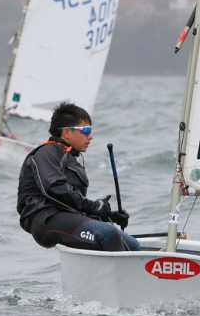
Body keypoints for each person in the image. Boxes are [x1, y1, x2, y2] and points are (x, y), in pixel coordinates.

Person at [17, 102, 139, 252]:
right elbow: (54, 190)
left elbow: (71, 204)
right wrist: (94, 206)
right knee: (108, 233)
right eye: (85, 130)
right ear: (67, 132)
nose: (91, 136)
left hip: (65, 217)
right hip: (45, 219)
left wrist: (110, 215)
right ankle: (119, 275)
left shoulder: (69, 157)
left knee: (133, 244)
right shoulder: (47, 152)